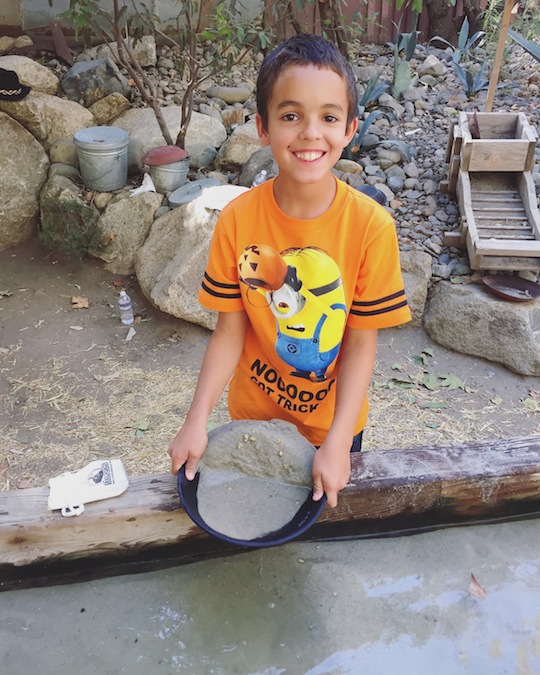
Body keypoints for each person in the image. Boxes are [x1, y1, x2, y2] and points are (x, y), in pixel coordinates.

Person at [169, 33, 411, 507]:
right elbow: (229, 331)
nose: (310, 133)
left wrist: (339, 441)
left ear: (350, 129)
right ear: (262, 127)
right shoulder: (238, 220)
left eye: (328, 117)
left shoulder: (371, 227)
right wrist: (196, 419)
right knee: (258, 513)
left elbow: (361, 342)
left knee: (316, 527)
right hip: (254, 415)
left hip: (332, 425)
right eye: (290, 116)